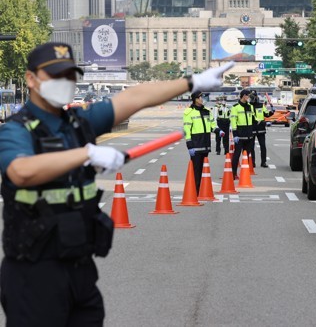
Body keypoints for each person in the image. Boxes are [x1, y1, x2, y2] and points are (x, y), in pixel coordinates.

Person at [0, 41, 233, 326]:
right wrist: (86, 153)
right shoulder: (16, 129)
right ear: (31, 79)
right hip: (34, 275)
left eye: (70, 76)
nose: (65, 82)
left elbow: (134, 98)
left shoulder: (78, 123)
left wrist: (191, 81)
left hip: (80, 270)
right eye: (56, 76)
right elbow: (20, 171)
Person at [184, 91, 224, 194]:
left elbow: (212, 125)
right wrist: (189, 144)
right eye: (201, 97)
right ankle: (194, 192)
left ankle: (200, 190)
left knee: (202, 169)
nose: (203, 99)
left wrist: (219, 131)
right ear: (196, 99)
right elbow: (187, 129)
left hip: (205, 144)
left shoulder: (207, 111)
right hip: (195, 144)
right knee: (196, 170)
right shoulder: (189, 112)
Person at [230, 89, 255, 179]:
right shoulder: (235, 107)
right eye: (248, 95)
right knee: (237, 154)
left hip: (249, 133)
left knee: (246, 155)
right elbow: (233, 121)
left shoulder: (250, 106)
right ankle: (233, 173)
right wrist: (235, 134)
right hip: (240, 133)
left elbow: (253, 119)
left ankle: (244, 174)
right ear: (243, 96)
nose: (248, 97)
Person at [249, 90, 274, 168]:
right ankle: (252, 162)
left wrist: (271, 112)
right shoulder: (248, 106)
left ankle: (263, 162)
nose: (252, 98)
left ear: (256, 97)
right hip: (252, 128)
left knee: (263, 146)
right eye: (251, 97)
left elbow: (266, 114)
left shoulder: (261, 105)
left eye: (253, 96)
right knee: (251, 147)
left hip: (261, 129)